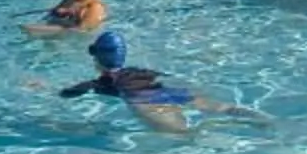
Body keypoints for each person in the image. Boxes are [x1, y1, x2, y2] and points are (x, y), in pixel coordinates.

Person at [58, 28, 259, 135]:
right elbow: (162, 76)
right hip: (168, 90)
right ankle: (258, 118)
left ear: (97, 58)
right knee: (223, 108)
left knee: (181, 134)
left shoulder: (103, 82)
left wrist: (48, 88)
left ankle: (215, 127)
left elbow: (68, 93)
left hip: (145, 101)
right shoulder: (137, 70)